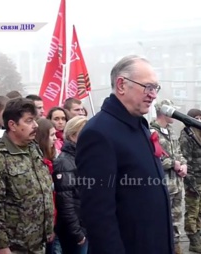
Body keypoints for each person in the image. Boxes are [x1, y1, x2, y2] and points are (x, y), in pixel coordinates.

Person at [75, 55, 174, 254]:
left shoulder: (139, 125)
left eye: (156, 88)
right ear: (121, 85)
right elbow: (98, 214)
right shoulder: (99, 133)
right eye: (147, 87)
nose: (153, 95)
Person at [0, 98, 54, 254]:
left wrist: (48, 228)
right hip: (15, 246)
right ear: (12, 125)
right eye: (29, 121)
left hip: (38, 243)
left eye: (35, 120)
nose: (35, 125)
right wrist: (1, 246)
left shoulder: (33, 148)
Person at [150, 99, 187, 254]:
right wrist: (173, 163)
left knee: (177, 221)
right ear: (164, 112)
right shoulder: (152, 131)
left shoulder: (171, 130)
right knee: (163, 222)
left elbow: (179, 152)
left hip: (177, 184)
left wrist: (184, 164)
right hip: (163, 185)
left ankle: (176, 249)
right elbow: (153, 158)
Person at [53, 116, 88, 254]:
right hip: (77, 232)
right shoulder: (64, 162)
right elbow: (65, 201)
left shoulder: (84, 157)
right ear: (73, 136)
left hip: (87, 225)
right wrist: (77, 232)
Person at [35, 118, 62, 254]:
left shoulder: (53, 161)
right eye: (51, 135)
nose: (55, 139)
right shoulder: (38, 163)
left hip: (54, 222)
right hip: (41, 227)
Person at [179, 108, 201, 253]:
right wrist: (189, 180)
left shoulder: (199, 133)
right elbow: (185, 159)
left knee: (199, 210)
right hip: (193, 178)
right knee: (192, 209)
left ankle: (198, 234)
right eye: (198, 117)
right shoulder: (187, 134)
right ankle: (193, 240)